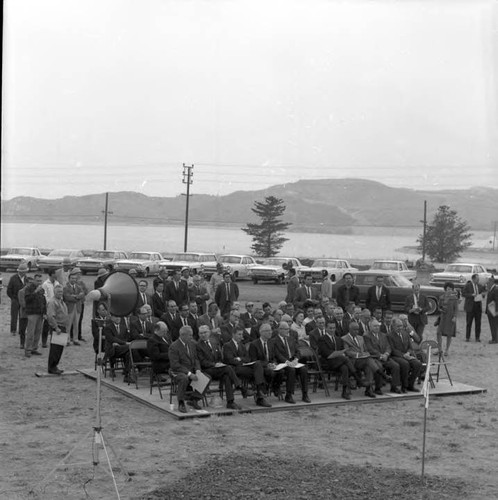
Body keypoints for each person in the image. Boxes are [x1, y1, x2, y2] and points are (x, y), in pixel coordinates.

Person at [196, 325, 243, 410]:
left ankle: (230, 402)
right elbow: (202, 361)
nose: (203, 335)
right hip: (207, 370)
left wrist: (219, 363)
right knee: (228, 368)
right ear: (199, 334)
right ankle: (238, 385)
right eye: (201, 333)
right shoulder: (198, 345)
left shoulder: (214, 342)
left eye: (205, 332)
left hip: (217, 369)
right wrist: (214, 364)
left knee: (227, 376)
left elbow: (219, 357)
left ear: (209, 332)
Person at [222, 328, 272, 407]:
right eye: (239, 334)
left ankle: (259, 391)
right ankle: (260, 394)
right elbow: (230, 359)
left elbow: (248, 358)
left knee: (258, 365)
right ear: (233, 334)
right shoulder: (227, 345)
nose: (241, 336)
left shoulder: (242, 346)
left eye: (242, 334)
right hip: (233, 369)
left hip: (243, 368)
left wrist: (239, 359)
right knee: (258, 372)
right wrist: (242, 360)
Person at [317, 321, 362, 400]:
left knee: (344, 367)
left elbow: (342, 350)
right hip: (327, 363)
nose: (332, 330)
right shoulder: (322, 339)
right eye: (330, 328)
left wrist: (341, 353)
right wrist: (340, 354)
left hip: (339, 362)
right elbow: (326, 354)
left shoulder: (338, 339)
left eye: (334, 328)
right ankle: (357, 378)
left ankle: (344, 391)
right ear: (326, 328)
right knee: (345, 359)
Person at [269, 321, 310, 404]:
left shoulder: (291, 339)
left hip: (293, 362)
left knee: (303, 370)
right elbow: (277, 354)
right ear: (279, 330)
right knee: (291, 370)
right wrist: (287, 362)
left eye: (288, 329)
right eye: (285, 329)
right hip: (282, 363)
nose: (288, 331)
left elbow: (297, 351)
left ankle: (305, 394)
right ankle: (289, 395)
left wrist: (296, 359)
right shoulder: (274, 341)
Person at [341, 322, 383, 398]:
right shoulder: (344, 338)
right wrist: (358, 355)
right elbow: (347, 351)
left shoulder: (360, 338)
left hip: (363, 360)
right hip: (353, 361)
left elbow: (366, 349)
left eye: (358, 330)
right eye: (355, 330)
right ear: (350, 329)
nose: (356, 331)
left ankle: (368, 389)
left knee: (368, 366)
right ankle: (381, 373)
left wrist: (365, 354)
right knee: (368, 361)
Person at [168, 326, 204, 413]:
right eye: (190, 335)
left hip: (191, 369)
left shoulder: (192, 344)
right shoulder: (174, 346)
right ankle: (181, 403)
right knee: (183, 378)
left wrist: (198, 370)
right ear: (182, 335)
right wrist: (189, 374)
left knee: (206, 377)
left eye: (192, 335)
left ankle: (194, 399)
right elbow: (175, 365)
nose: (192, 337)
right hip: (177, 371)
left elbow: (195, 359)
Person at [363, 319, 402, 394]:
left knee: (395, 365)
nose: (377, 327)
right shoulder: (366, 336)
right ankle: (378, 388)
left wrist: (386, 354)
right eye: (375, 326)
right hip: (375, 358)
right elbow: (370, 348)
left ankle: (394, 386)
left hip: (385, 357)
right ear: (370, 327)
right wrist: (380, 355)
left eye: (378, 326)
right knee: (380, 367)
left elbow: (388, 346)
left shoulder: (383, 335)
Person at [387, 319, 421, 392]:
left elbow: (410, 347)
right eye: (398, 326)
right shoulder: (389, 335)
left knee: (417, 364)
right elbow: (392, 350)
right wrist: (403, 355)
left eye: (401, 326)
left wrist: (408, 353)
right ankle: (404, 386)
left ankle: (410, 384)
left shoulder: (405, 334)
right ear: (393, 326)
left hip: (407, 355)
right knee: (405, 364)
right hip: (395, 356)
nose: (400, 328)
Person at [46, 285, 69, 375]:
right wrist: (56, 327)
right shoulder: (52, 302)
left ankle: (55, 366)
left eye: (61, 292)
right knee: (55, 349)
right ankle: (51, 367)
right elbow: (50, 316)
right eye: (58, 292)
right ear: (54, 292)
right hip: (57, 327)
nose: (60, 293)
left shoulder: (61, 301)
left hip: (62, 326)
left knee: (59, 348)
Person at [104, 313, 132, 383]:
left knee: (129, 353)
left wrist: (121, 343)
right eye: (116, 316)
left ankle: (127, 374)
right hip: (112, 348)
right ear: (112, 318)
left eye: (119, 316)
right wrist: (124, 343)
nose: (118, 318)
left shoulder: (124, 327)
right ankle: (123, 371)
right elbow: (111, 339)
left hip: (122, 348)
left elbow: (126, 338)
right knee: (130, 348)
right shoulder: (108, 328)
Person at [24, 274, 47, 358]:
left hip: (40, 313)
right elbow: (27, 300)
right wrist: (35, 292)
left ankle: (34, 348)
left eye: (40, 281)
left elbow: (43, 301)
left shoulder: (41, 289)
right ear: (34, 280)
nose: (39, 282)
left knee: (37, 332)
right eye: (37, 281)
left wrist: (45, 312)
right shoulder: (28, 288)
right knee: (30, 333)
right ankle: (28, 350)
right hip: (32, 313)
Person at [63, 268, 85, 346]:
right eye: (72, 278)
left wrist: (74, 297)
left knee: (76, 324)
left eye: (75, 278)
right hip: (70, 308)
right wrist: (77, 297)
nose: (74, 280)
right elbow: (67, 297)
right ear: (69, 279)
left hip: (77, 308)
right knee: (68, 325)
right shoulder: (65, 287)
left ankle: (75, 339)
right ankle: (68, 340)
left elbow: (83, 295)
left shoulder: (78, 287)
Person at [436, 282, 459, 356]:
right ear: (445, 289)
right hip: (443, 317)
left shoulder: (454, 299)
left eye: (451, 289)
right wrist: (441, 310)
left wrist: (455, 317)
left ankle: (447, 350)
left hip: (450, 318)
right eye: (448, 289)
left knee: (449, 334)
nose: (449, 290)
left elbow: (456, 309)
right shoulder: (441, 297)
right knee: (438, 332)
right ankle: (440, 349)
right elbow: (438, 307)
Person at [462, 274, 486, 342]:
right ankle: (467, 337)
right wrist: (471, 295)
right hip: (470, 306)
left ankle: (477, 337)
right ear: (473, 279)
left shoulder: (480, 286)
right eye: (477, 279)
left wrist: (483, 295)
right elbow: (463, 294)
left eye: (478, 279)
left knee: (478, 323)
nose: (478, 280)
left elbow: (483, 293)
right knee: (469, 323)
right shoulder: (467, 285)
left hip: (478, 306)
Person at [7, 262, 28, 336]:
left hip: (23, 300)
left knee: (23, 316)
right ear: (19, 271)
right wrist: (13, 298)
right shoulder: (13, 278)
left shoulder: (26, 278)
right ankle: (13, 330)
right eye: (23, 272)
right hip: (15, 299)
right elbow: (9, 290)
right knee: (14, 316)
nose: (24, 273)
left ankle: (21, 330)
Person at [17, 276, 33, 349]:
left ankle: (30, 344)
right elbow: (22, 304)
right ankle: (22, 343)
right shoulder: (21, 292)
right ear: (26, 283)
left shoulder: (33, 291)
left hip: (32, 314)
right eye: (29, 283)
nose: (30, 284)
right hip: (24, 313)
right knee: (22, 330)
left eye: (31, 283)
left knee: (31, 330)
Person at [74, 268, 88, 342]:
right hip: (74, 303)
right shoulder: (72, 282)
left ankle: (79, 335)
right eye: (77, 273)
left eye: (80, 273)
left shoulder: (81, 282)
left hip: (81, 302)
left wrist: (82, 294)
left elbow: (86, 291)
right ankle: (73, 335)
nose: (79, 275)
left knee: (80, 320)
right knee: (74, 320)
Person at [487, 276, 498, 344]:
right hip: (491, 310)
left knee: (494, 325)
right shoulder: (491, 289)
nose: (487, 284)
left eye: (488, 282)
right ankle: (494, 338)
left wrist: (496, 310)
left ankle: (495, 339)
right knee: (492, 325)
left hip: (493, 310)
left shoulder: (495, 289)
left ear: (491, 282)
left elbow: (497, 301)